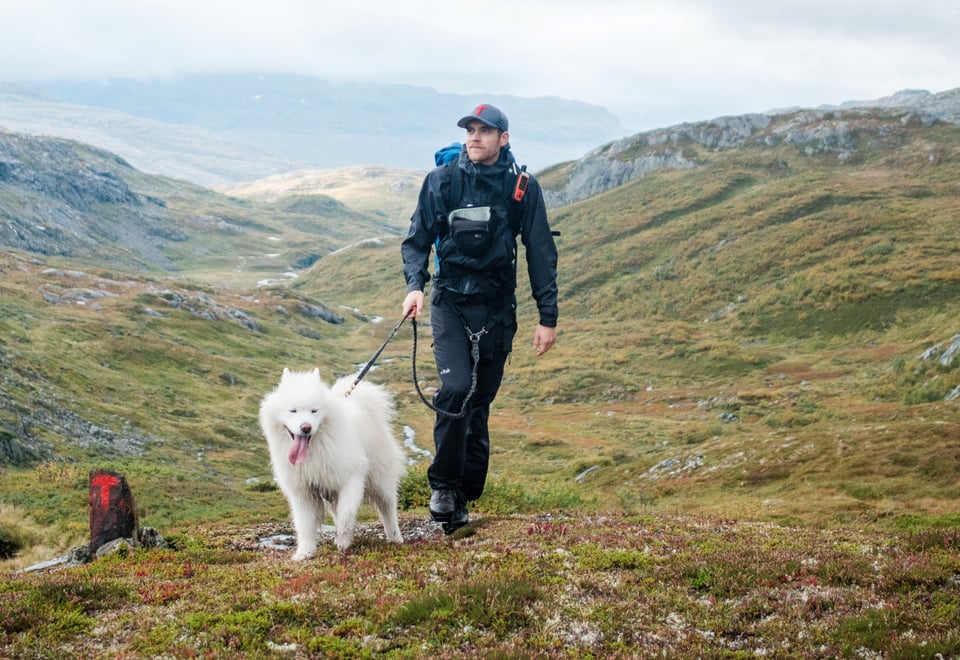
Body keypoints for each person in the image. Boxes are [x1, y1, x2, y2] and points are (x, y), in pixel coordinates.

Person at [400, 103, 559, 533]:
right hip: (449, 303)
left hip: (496, 309)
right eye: (470, 129)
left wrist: (548, 317)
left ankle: (466, 495)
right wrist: (415, 285)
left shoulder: (521, 188)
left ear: (503, 138)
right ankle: (443, 487)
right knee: (454, 391)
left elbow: (541, 251)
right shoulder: (442, 181)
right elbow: (416, 240)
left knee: (479, 404)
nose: (474, 136)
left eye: (484, 131)